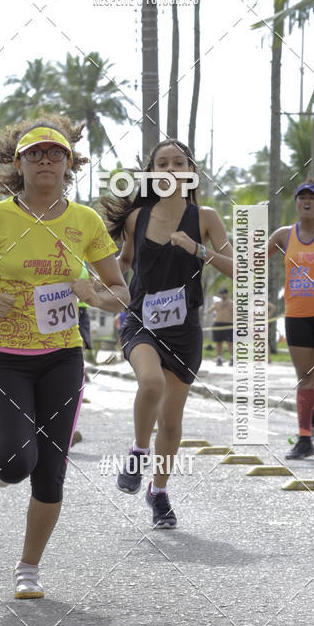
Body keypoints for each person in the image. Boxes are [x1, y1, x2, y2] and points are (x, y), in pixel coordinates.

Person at [0, 116, 129, 600]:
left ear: (69, 165)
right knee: (14, 464)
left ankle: (29, 568)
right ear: (18, 164)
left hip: (63, 357)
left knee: (51, 471)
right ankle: (3, 462)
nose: (46, 160)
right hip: (7, 357)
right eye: (35, 154)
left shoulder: (85, 221)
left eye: (55, 153)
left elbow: (120, 293)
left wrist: (92, 292)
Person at [102, 139, 233, 527]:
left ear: (191, 171)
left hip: (184, 329)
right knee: (151, 382)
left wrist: (198, 249)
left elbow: (237, 270)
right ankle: (139, 450)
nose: (172, 168)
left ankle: (158, 492)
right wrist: (102, 288)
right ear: (152, 173)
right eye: (163, 163)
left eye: (180, 162)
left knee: (172, 423)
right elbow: (122, 265)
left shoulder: (205, 217)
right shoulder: (136, 218)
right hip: (141, 320)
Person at [268, 180, 314, 460]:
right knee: (305, 377)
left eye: (312, 197)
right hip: (297, 314)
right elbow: (253, 261)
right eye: (302, 197)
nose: (307, 201)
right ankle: (305, 438)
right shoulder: (284, 236)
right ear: (297, 204)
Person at [208, 287, 234, 365]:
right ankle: (219, 358)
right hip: (218, 324)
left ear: (227, 294)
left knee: (230, 342)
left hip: (228, 324)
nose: (223, 295)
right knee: (219, 342)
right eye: (221, 293)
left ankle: (232, 358)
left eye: (224, 293)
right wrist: (213, 307)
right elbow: (209, 311)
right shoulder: (217, 303)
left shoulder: (232, 303)